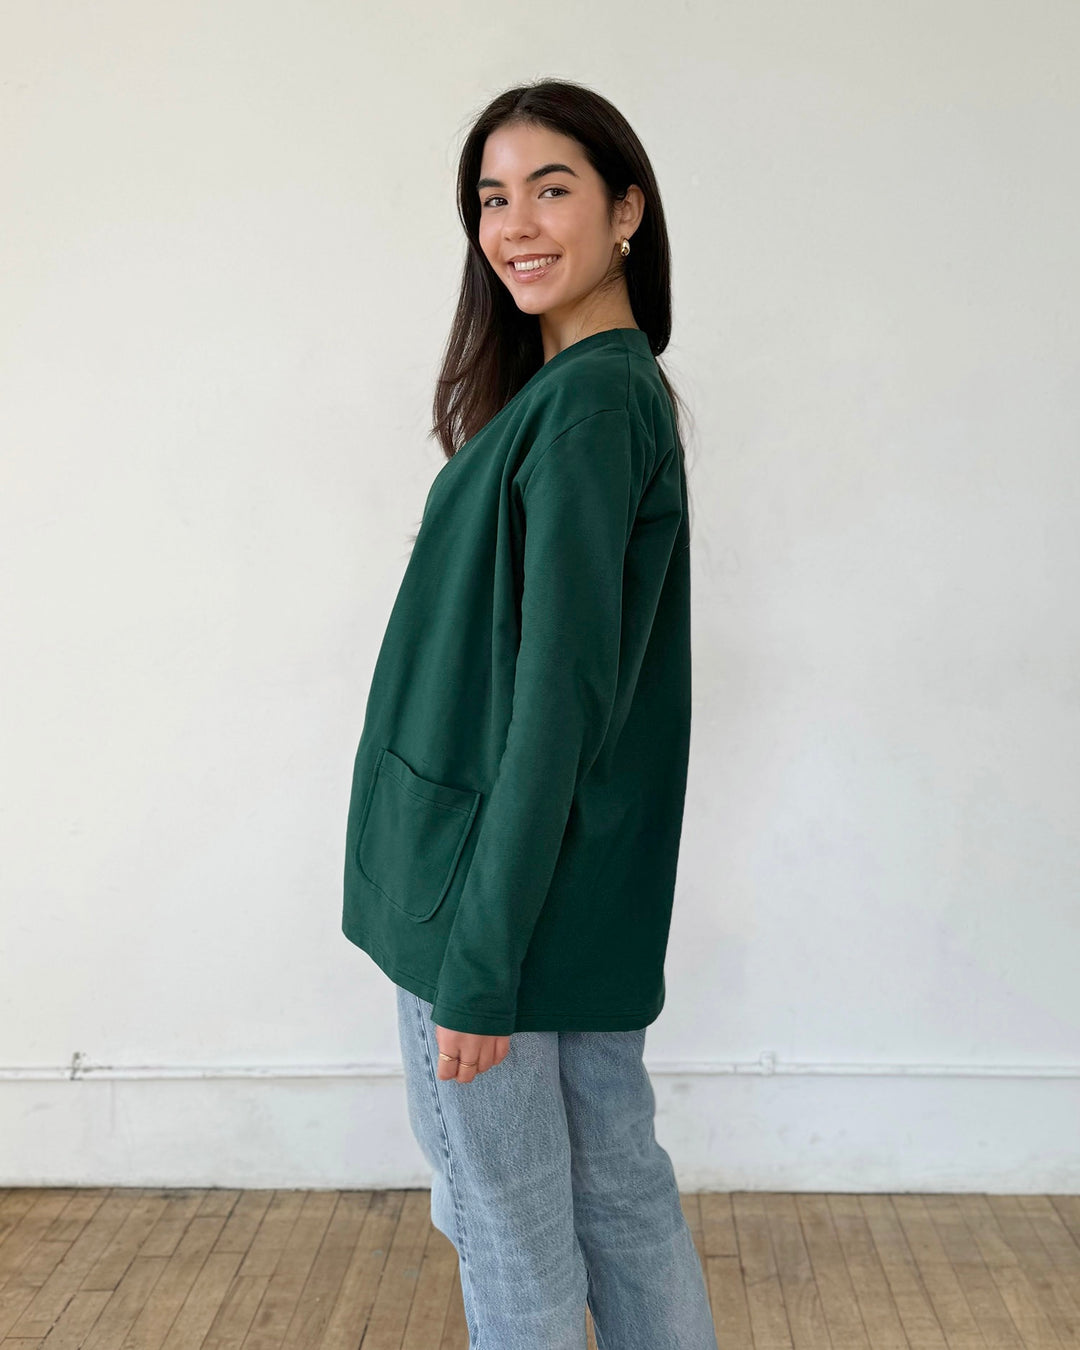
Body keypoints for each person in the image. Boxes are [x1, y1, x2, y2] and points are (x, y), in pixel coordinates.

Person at [342, 78, 717, 1350]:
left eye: (550, 189)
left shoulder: (591, 403)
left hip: (487, 899)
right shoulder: (590, 393)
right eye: (492, 199)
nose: (514, 225)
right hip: (565, 886)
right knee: (617, 1196)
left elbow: (557, 700)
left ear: (627, 210)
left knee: (512, 1233)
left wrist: (480, 965)